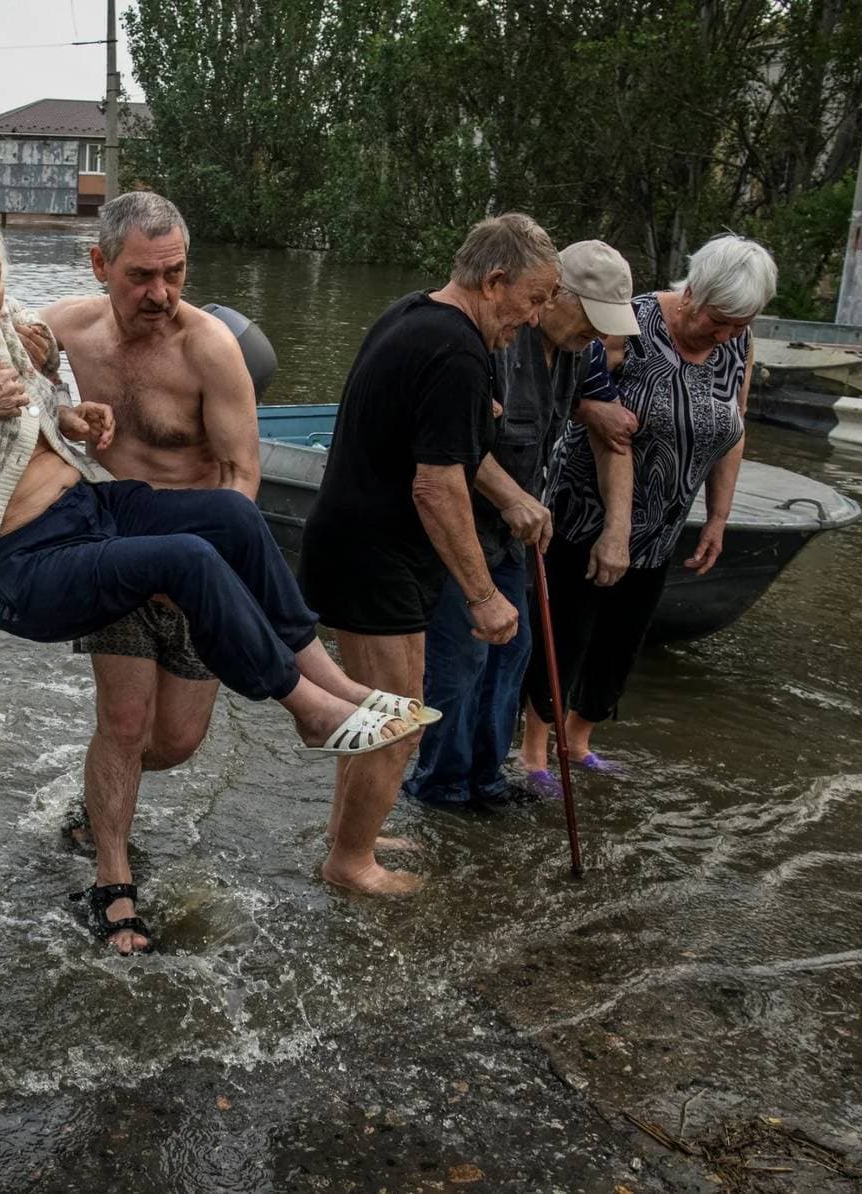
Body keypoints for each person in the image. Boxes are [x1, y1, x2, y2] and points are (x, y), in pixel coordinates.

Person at [0, 199, 430, 940]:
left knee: (224, 547)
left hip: (107, 520)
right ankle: (272, 740)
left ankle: (327, 685)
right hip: (34, 561)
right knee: (128, 707)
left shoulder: (184, 345)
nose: (161, 292)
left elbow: (57, 402)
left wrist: (71, 417)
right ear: (101, 267)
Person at [299, 213, 558, 894]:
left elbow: (441, 444)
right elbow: (437, 484)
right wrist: (482, 594)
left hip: (356, 541)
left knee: (375, 713)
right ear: (495, 280)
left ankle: (346, 834)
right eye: (533, 300)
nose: (534, 320)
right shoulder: (457, 352)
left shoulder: (415, 314)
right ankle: (351, 865)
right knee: (398, 722)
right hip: (374, 554)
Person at [36, 191, 258, 955]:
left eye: (175, 273)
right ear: (100, 265)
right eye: (140, 276)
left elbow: (241, 475)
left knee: (176, 741)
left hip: (196, 567)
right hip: (116, 553)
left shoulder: (209, 350)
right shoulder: (68, 327)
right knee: (124, 726)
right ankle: (112, 881)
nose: (160, 294)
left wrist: (205, 566)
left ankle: (94, 804)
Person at [520, 234, 777, 788]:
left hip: (663, 519)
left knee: (621, 637)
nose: (728, 333)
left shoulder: (739, 343)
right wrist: (597, 412)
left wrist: (717, 516)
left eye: (741, 322)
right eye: (721, 319)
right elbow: (570, 390)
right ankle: (535, 751)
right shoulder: (627, 321)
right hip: (586, 508)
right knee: (567, 629)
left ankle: (579, 738)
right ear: (695, 292)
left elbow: (733, 429)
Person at [399, 240, 640, 807]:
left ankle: (486, 780)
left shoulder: (580, 354)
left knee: (514, 652)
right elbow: (449, 442)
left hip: (516, 542)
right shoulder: (496, 340)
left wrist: (616, 529)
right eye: (591, 318)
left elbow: (614, 437)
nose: (601, 337)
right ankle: (441, 787)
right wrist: (512, 497)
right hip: (463, 531)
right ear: (555, 296)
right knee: (461, 660)